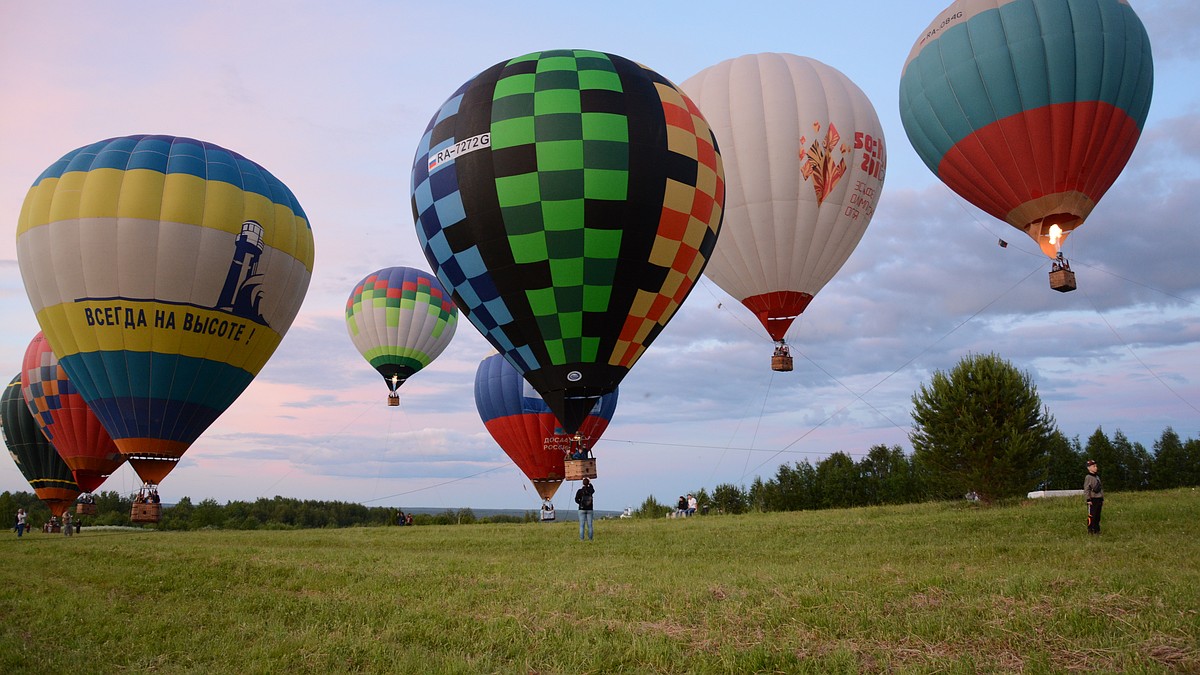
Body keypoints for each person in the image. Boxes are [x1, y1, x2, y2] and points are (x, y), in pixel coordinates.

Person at [1084, 459, 1104, 535]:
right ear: (1089, 468)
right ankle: (1090, 530)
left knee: (1098, 516)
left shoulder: (1097, 477)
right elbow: (1086, 489)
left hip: (1098, 498)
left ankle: (1097, 529)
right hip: (1092, 499)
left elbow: (1100, 488)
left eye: (1096, 466)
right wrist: (1088, 499)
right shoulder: (1088, 477)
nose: (1096, 467)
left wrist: (1102, 498)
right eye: (1093, 466)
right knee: (1092, 515)